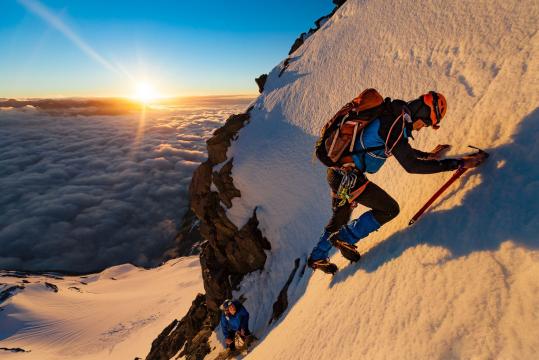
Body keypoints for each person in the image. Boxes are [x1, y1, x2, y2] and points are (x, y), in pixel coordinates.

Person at [308, 90, 487, 274]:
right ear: (424, 114)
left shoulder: (394, 116)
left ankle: (316, 258)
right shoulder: (395, 123)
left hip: (338, 173)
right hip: (349, 178)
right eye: (426, 123)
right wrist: (458, 163)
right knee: (389, 209)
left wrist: (428, 156)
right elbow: (410, 165)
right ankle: (346, 237)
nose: (420, 128)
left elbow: (400, 149)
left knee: (340, 217)